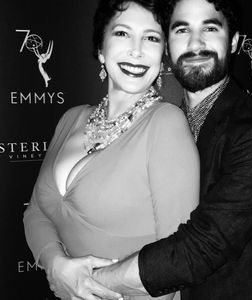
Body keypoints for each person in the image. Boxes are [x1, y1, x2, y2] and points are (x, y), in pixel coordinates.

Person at [87, 0, 252, 299]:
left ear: (234, 41)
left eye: (210, 28)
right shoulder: (161, 124)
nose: (196, 43)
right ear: (168, 47)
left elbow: (201, 248)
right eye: (182, 29)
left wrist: (88, 283)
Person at [23, 1, 200, 300]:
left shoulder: (165, 124)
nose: (137, 50)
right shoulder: (71, 118)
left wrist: (84, 284)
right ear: (101, 50)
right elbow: (36, 214)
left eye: (152, 38)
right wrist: (56, 265)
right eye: (122, 33)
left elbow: (175, 263)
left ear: (163, 55)